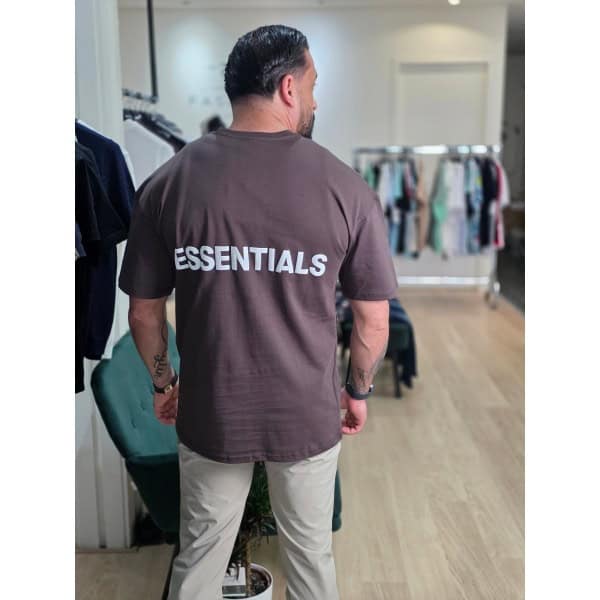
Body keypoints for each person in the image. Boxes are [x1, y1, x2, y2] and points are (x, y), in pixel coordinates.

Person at [119, 24, 397, 600]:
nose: (316, 101)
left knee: (200, 558)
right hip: (306, 414)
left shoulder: (169, 183)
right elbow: (373, 320)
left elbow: (144, 314)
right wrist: (358, 391)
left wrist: (164, 384)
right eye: (313, 86)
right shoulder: (346, 189)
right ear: (289, 88)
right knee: (311, 559)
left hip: (212, 410)